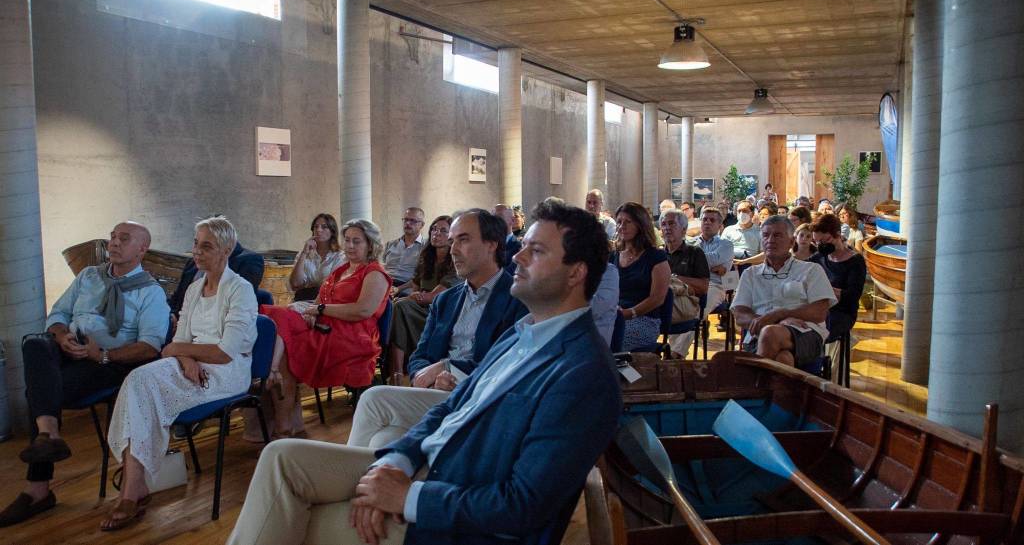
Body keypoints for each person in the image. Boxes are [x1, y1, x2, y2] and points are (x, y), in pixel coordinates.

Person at [226, 200, 621, 545]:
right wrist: (394, 463)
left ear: (575, 273)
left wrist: (407, 498)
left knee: (293, 512)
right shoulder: (524, 332)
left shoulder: (583, 373)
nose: (517, 257)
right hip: (431, 464)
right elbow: (448, 409)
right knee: (281, 458)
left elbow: (523, 507)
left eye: (536, 250)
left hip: (454, 510)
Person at [0, 223, 170, 528]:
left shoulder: (150, 292)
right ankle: (50, 435)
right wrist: (62, 335)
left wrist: (101, 354)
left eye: (124, 239)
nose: (114, 243)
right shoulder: (89, 276)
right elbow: (58, 314)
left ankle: (38, 488)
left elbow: (149, 347)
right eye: (112, 237)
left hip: (108, 363)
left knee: (40, 392)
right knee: (35, 343)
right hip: (70, 350)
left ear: (142, 249)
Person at [102, 217, 256, 531]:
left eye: (206, 246)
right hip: (192, 363)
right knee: (138, 380)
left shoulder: (240, 290)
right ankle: (135, 483)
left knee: (142, 384)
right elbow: (180, 338)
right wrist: (184, 357)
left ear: (226, 250)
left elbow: (225, 352)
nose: (196, 251)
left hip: (227, 372)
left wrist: (177, 350)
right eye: (196, 244)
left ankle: (134, 487)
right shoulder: (195, 288)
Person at [348, 208, 530, 449]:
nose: (453, 250)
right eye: (453, 241)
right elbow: (420, 356)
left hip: (480, 398)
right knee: (383, 440)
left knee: (374, 398)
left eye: (463, 240)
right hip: (436, 392)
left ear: (491, 245)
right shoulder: (446, 300)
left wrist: (449, 369)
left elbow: (506, 365)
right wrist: (426, 378)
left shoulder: (518, 299)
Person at [259, 219, 391, 436]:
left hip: (352, 335)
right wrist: (310, 312)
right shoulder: (341, 271)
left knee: (283, 350)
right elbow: (318, 302)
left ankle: (283, 425)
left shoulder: (374, 273)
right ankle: (286, 422)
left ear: (370, 245)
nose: (349, 246)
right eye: (347, 240)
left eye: (356, 241)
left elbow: (362, 311)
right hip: (324, 327)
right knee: (274, 319)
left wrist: (320, 310)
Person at [731, 215, 837, 367]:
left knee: (770, 333)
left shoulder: (811, 270)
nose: (770, 240)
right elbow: (740, 315)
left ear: (792, 242)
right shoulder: (751, 274)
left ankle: (753, 381)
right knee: (783, 358)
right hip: (757, 337)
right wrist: (776, 321)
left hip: (805, 334)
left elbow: (820, 312)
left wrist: (781, 314)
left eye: (777, 235)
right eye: (765, 235)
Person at [386, 215, 459, 378]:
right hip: (420, 308)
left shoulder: (455, 260)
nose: (436, 233)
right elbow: (416, 288)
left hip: (441, 312)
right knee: (396, 309)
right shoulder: (427, 257)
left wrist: (409, 298)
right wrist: (412, 297)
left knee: (400, 306)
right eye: (434, 229)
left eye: (443, 230)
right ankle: (396, 371)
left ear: (452, 235)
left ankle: (397, 371)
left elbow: (432, 297)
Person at [168, 225, 263, 320]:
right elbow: (177, 297)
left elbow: (240, 303)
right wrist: (171, 315)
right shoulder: (194, 261)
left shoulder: (248, 260)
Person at [612, 202, 670, 351]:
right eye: (619, 222)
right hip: (614, 316)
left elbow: (657, 298)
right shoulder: (613, 256)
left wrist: (630, 313)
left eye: (628, 222)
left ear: (640, 225)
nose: (622, 226)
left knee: (609, 340)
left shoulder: (656, 257)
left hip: (643, 319)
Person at [660, 209, 709, 355]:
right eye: (663, 224)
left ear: (683, 229)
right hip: (660, 303)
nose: (667, 228)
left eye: (671, 224)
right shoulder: (657, 255)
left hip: (686, 304)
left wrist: (674, 278)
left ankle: (674, 356)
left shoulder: (695, 253)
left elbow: (703, 287)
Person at [809, 214, 866, 340]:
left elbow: (852, 296)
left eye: (825, 241)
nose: (821, 245)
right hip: (818, 308)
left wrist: (825, 289)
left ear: (838, 234)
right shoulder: (818, 258)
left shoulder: (855, 261)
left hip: (841, 312)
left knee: (814, 332)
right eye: (817, 242)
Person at [687, 208, 734, 321]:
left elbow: (712, 259)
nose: (707, 222)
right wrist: (710, 266)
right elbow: (682, 261)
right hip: (690, 282)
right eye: (705, 219)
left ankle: (689, 327)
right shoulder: (690, 243)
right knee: (675, 306)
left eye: (712, 220)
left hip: (714, 286)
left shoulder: (726, 244)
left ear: (720, 226)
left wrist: (692, 261)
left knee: (693, 314)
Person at [289, 213, 345, 302]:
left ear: (332, 231)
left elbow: (331, 286)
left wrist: (309, 288)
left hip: (327, 302)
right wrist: (304, 253)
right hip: (303, 300)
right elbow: (295, 283)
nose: (318, 230)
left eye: (324, 227)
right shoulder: (303, 254)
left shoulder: (340, 256)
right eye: (316, 227)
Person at [382, 207, 426, 288]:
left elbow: (422, 276)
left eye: (413, 221)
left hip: (407, 287)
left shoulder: (425, 247)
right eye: (406, 220)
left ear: (422, 225)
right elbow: (381, 267)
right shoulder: (390, 244)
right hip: (385, 284)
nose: (408, 223)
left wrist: (398, 289)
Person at [723, 200, 762, 267]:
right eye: (739, 211)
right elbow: (721, 251)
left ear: (752, 214)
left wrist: (745, 262)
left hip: (751, 267)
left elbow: (764, 255)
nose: (741, 213)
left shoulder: (760, 231)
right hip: (730, 266)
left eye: (745, 211)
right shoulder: (728, 230)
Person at [493, 204, 521, 274]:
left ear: (512, 220)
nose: (494, 221)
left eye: (499, 217)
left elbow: (511, 273)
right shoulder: (486, 245)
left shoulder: (519, 247)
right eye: (493, 218)